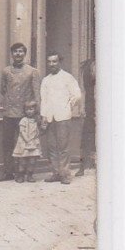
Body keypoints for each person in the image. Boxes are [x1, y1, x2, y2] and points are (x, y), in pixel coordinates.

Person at [0, 43, 41, 181]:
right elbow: (3, 90)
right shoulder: (6, 71)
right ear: (11, 54)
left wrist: (37, 113)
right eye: (15, 51)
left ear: (25, 54)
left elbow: (36, 93)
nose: (18, 54)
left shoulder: (32, 71)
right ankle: (8, 172)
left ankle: (23, 173)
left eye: (21, 51)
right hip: (9, 113)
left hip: (25, 115)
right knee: (7, 142)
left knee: (25, 143)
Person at [40, 51, 82, 185]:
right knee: (51, 147)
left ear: (59, 62)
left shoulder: (67, 77)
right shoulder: (46, 80)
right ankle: (56, 173)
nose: (52, 64)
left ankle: (65, 175)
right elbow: (43, 100)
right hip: (50, 117)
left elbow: (77, 94)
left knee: (63, 147)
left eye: (54, 61)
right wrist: (44, 117)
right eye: (50, 62)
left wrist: (68, 105)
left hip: (63, 117)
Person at [12, 101, 42, 183]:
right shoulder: (23, 120)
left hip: (33, 142)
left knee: (32, 161)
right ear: (24, 111)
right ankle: (20, 175)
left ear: (35, 110)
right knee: (23, 161)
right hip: (24, 143)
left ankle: (30, 175)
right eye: (27, 109)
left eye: (31, 109)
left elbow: (38, 131)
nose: (29, 111)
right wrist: (27, 140)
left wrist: (36, 137)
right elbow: (22, 132)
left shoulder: (36, 120)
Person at [76, 56, 96, 176]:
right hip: (89, 106)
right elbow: (82, 89)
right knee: (86, 136)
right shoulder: (86, 66)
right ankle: (83, 166)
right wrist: (82, 107)